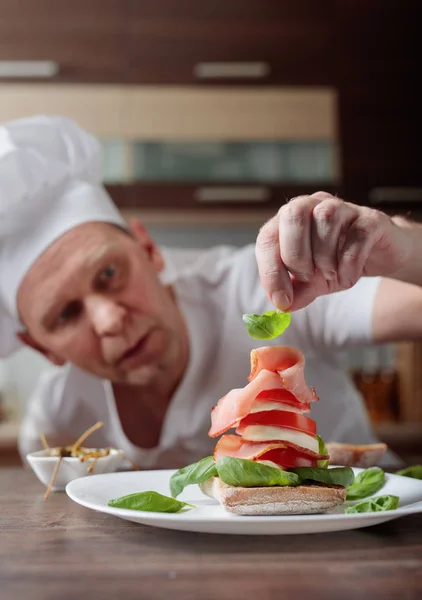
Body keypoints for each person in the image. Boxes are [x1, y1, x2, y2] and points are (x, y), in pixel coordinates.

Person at [1, 116, 421, 469]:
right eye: (65, 315)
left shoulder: (274, 288)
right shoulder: (58, 424)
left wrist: (400, 251)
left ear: (149, 250)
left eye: (109, 272)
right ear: (41, 347)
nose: (110, 320)